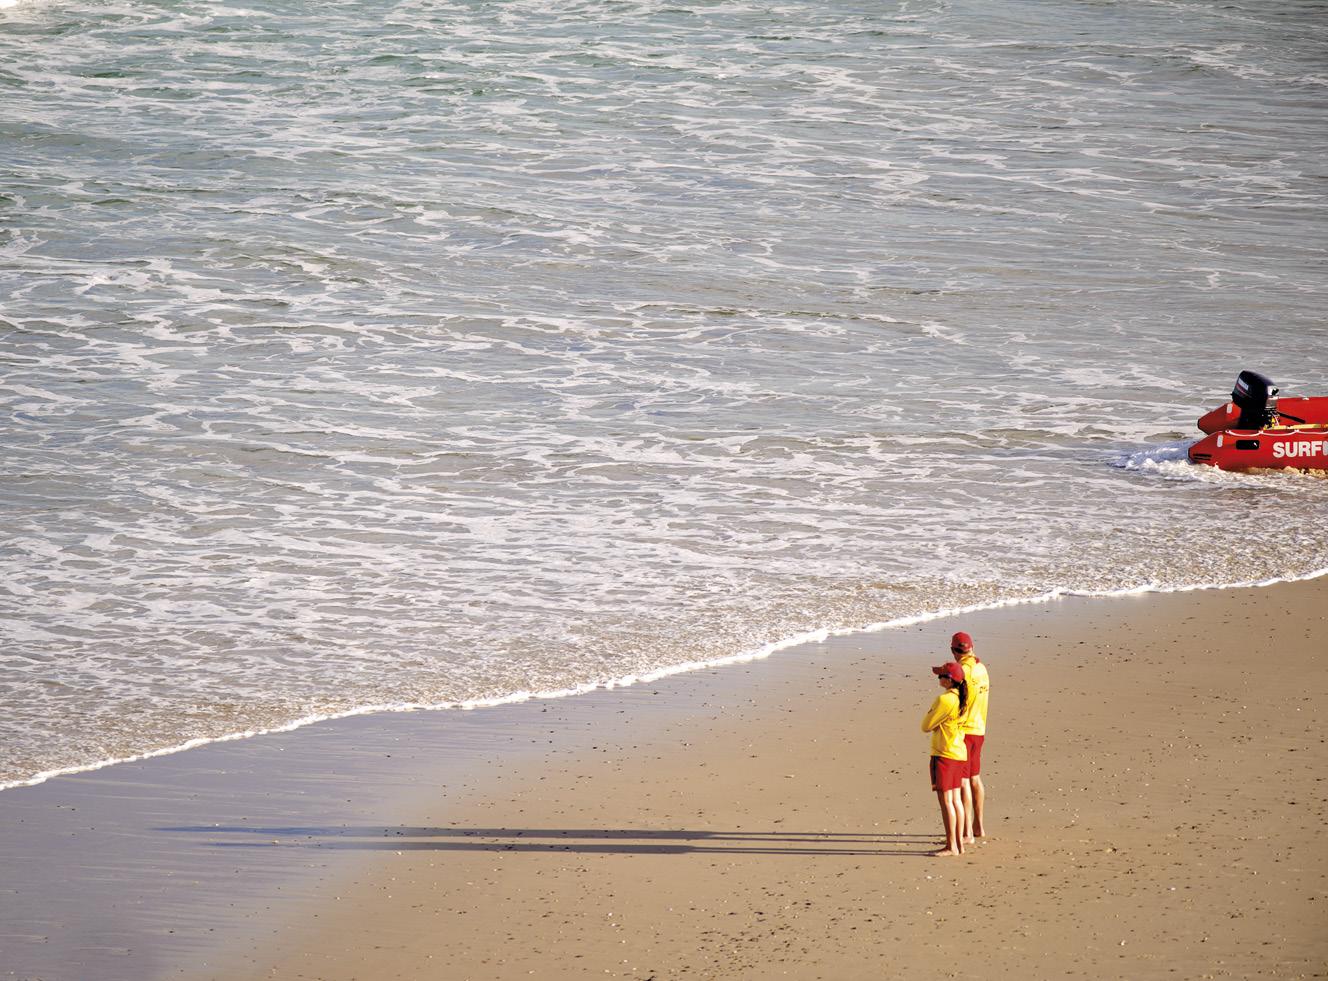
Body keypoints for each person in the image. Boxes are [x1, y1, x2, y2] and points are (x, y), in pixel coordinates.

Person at [921, 661, 968, 857]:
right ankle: (959, 844)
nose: (938, 678)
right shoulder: (962, 697)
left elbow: (925, 725)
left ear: (949, 680)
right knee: (956, 799)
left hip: (945, 753)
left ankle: (952, 846)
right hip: (958, 751)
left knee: (947, 801)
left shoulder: (945, 700)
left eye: (941, 675)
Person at [952, 631, 990, 843]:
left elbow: (956, 701)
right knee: (975, 777)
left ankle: (966, 832)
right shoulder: (982, 668)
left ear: (954, 651)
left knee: (963, 781)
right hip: (979, 729)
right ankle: (979, 826)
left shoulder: (962, 671)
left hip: (965, 730)